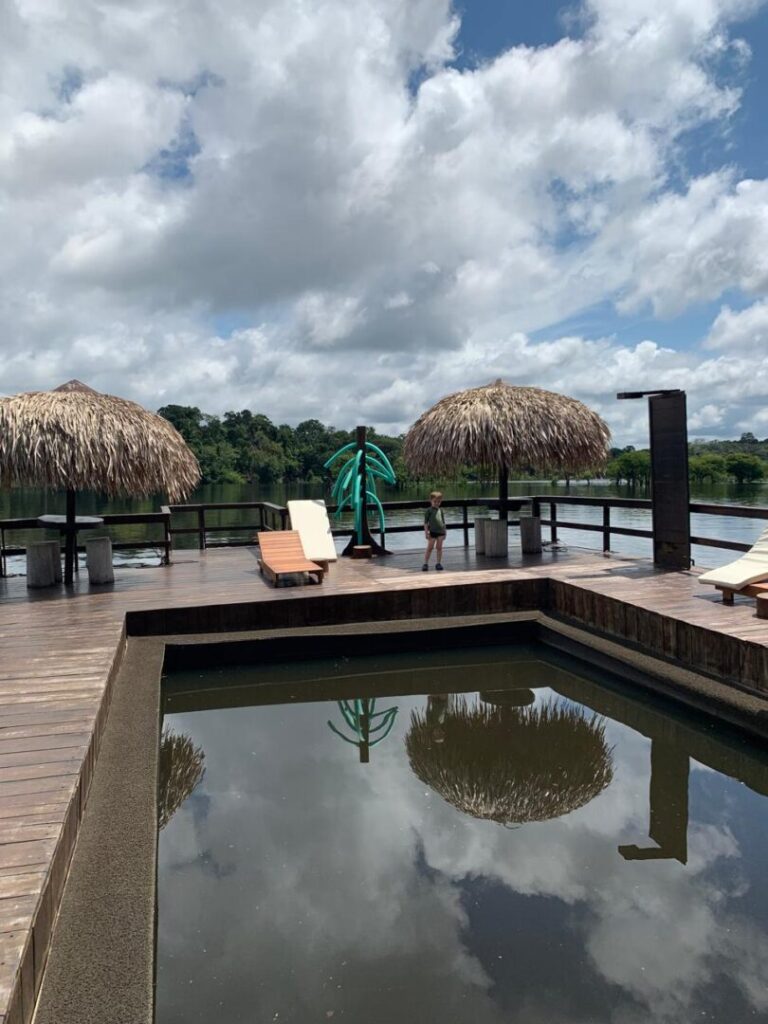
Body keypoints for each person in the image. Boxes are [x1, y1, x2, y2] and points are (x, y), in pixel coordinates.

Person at [423, 490, 446, 570]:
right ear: (431, 501)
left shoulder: (441, 510)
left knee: (439, 548)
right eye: (435, 501)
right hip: (432, 532)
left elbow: (443, 522)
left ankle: (438, 563)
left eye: (439, 502)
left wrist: (445, 532)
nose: (437, 503)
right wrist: (426, 533)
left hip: (441, 532)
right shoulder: (429, 511)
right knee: (430, 548)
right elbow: (425, 523)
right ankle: (425, 563)